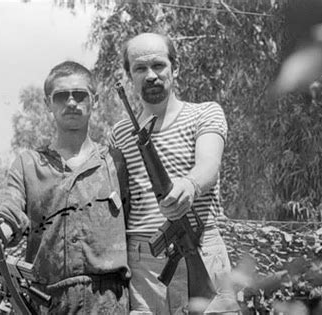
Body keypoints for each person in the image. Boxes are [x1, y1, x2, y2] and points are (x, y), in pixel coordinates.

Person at [0, 61, 130, 314]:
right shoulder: (28, 164)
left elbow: (135, 225)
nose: (71, 102)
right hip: (45, 301)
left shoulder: (117, 162)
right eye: (61, 96)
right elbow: (10, 215)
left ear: (95, 100)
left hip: (109, 301)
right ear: (48, 103)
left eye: (79, 95)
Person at [110, 33, 240, 314]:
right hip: (144, 263)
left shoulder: (205, 113)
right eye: (140, 69)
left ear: (175, 68)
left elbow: (209, 165)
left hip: (202, 246)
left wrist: (190, 185)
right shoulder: (119, 133)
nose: (151, 75)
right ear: (129, 75)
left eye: (159, 65)